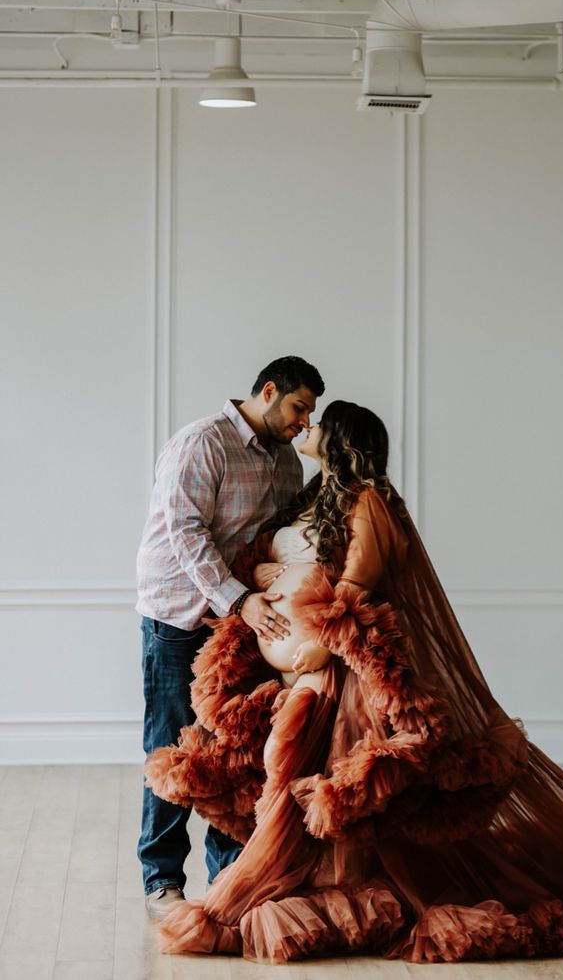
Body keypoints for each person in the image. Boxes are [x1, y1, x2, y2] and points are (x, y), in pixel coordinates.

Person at [144, 401, 563, 961]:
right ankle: (251, 875)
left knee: (302, 773)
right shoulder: (311, 493)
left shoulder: (369, 500)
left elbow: (358, 585)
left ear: (343, 439)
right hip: (299, 667)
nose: (308, 426)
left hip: (337, 675)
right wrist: (272, 576)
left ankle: (264, 885)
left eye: (319, 421)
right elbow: (299, 564)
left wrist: (317, 650)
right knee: (277, 769)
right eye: (304, 412)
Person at [135, 355, 324, 920]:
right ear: (268, 391)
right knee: (173, 747)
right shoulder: (204, 443)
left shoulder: (288, 461)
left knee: (238, 750)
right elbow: (184, 530)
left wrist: (268, 580)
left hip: (243, 623)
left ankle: (228, 876)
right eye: (298, 408)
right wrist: (239, 598)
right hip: (179, 614)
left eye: (309, 414)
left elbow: (274, 537)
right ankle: (161, 880)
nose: (303, 423)